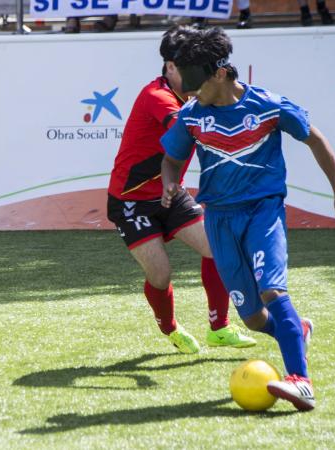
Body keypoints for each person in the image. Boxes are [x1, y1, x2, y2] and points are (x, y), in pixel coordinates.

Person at [160, 27, 335, 410]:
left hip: (263, 210)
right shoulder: (190, 116)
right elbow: (170, 159)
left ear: (219, 73)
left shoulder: (267, 106)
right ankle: (296, 330)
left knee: (272, 290)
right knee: (252, 318)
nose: (187, 89)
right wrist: (171, 183)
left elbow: (314, 139)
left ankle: (300, 380)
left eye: (194, 81)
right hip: (218, 218)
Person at [107, 25, 256, 356]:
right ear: (170, 66)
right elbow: (185, 126)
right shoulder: (156, 96)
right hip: (131, 201)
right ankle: (169, 327)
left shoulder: (197, 91)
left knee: (218, 248)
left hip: (170, 194)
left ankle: (219, 328)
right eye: (188, 65)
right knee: (161, 275)